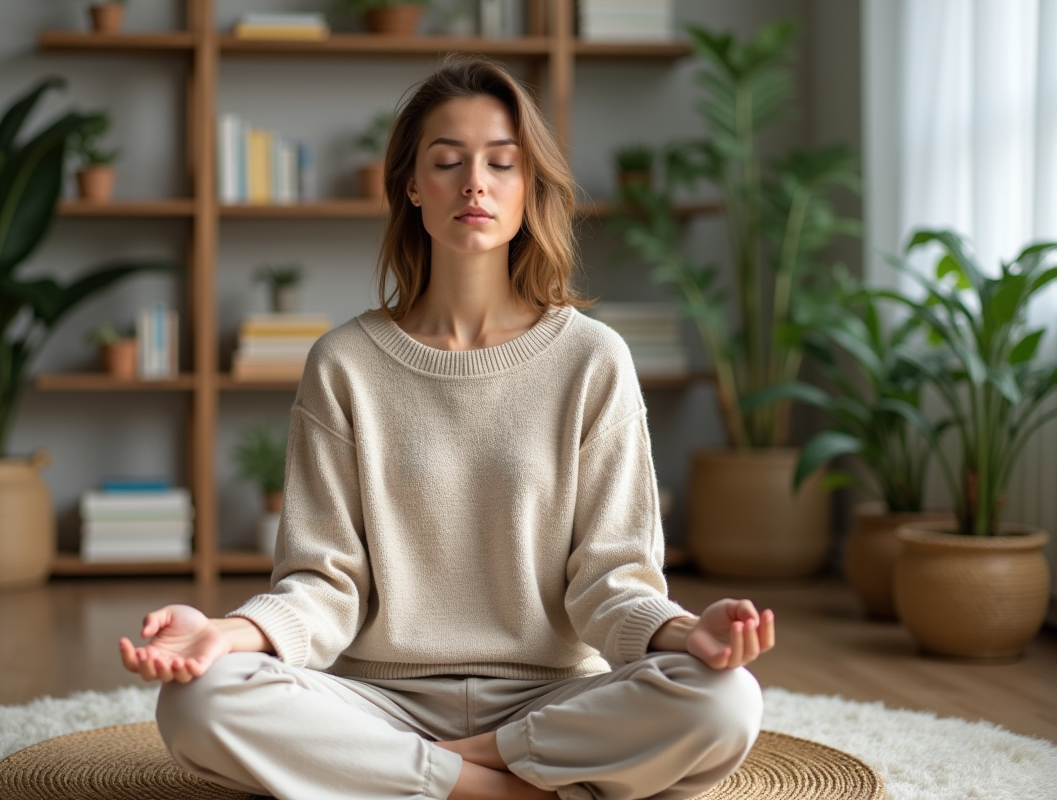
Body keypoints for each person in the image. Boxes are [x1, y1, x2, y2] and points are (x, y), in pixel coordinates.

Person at [120, 55, 774, 800]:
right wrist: (225, 633)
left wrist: (688, 632)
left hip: (552, 699)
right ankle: (500, 789)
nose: (475, 184)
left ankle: (439, 768)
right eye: (447, 161)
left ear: (528, 187)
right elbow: (323, 584)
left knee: (727, 700)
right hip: (379, 702)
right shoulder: (344, 363)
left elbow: (612, 583)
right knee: (197, 698)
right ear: (410, 185)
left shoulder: (594, 360)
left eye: (502, 163)